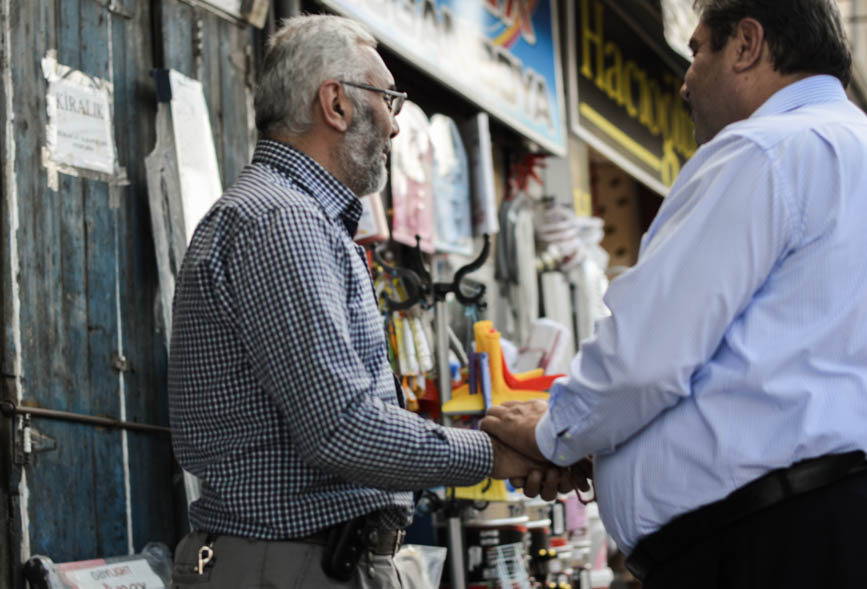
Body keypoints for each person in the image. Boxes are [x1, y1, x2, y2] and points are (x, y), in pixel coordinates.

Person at [481, 1, 867, 587]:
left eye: (695, 52)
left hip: (768, 543)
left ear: (746, 45)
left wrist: (551, 433)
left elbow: (645, 360)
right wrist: (594, 438)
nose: (685, 81)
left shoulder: (763, 151)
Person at [167, 14, 543, 589]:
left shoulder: (299, 220)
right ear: (336, 104)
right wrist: (499, 455)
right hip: (289, 566)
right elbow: (342, 427)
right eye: (389, 98)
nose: (396, 126)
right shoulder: (282, 221)